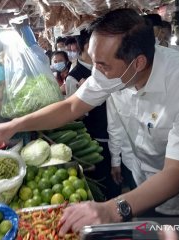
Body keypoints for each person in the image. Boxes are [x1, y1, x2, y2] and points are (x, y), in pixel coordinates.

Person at [0, 8, 179, 235]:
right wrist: (12, 126)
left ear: (138, 63)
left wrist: (113, 209)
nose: (96, 73)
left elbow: (175, 174)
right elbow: (71, 106)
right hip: (139, 179)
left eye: (102, 65)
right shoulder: (115, 70)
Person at [67, 29, 121, 200]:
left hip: (117, 135)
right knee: (103, 181)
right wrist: (86, 100)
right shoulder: (73, 77)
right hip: (97, 138)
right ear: (87, 46)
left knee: (117, 181)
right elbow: (73, 115)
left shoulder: (108, 70)